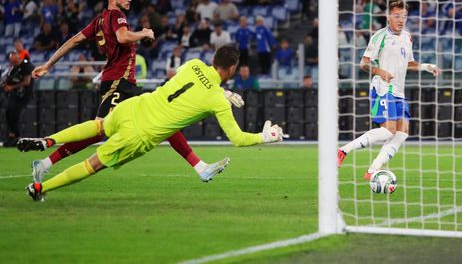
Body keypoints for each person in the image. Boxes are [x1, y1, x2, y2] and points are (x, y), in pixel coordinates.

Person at [28, 0, 230, 184]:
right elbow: (123, 37)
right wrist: (143, 33)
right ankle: (45, 161)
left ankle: (200, 167)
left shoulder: (99, 20)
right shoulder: (117, 16)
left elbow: (73, 40)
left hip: (123, 83)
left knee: (163, 121)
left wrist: (48, 65)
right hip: (118, 82)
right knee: (99, 129)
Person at [18, 46, 284, 201]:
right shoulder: (217, 100)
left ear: (213, 59)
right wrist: (265, 137)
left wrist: (220, 91)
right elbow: (237, 139)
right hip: (142, 133)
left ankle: (49, 140)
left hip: (136, 106)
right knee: (95, 163)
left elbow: (188, 83)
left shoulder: (192, 64)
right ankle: (42, 187)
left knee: (97, 126)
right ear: (233, 69)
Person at [337, 1, 441, 179]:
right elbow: (364, 63)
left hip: (399, 91)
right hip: (383, 88)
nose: (401, 20)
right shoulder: (380, 36)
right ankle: (343, 150)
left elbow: (409, 63)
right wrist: (380, 71)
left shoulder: (407, 37)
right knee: (388, 130)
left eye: (404, 16)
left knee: (402, 133)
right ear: (389, 17)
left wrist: (427, 66)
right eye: (397, 16)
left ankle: (372, 171)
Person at [2, 51, 34, 147]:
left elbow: (27, 82)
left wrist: (11, 87)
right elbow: (8, 78)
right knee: (8, 114)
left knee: (15, 115)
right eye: (12, 61)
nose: (13, 63)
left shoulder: (27, 65)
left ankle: (18, 136)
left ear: (18, 58)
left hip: (24, 95)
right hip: (14, 95)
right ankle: (12, 136)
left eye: (14, 61)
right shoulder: (13, 67)